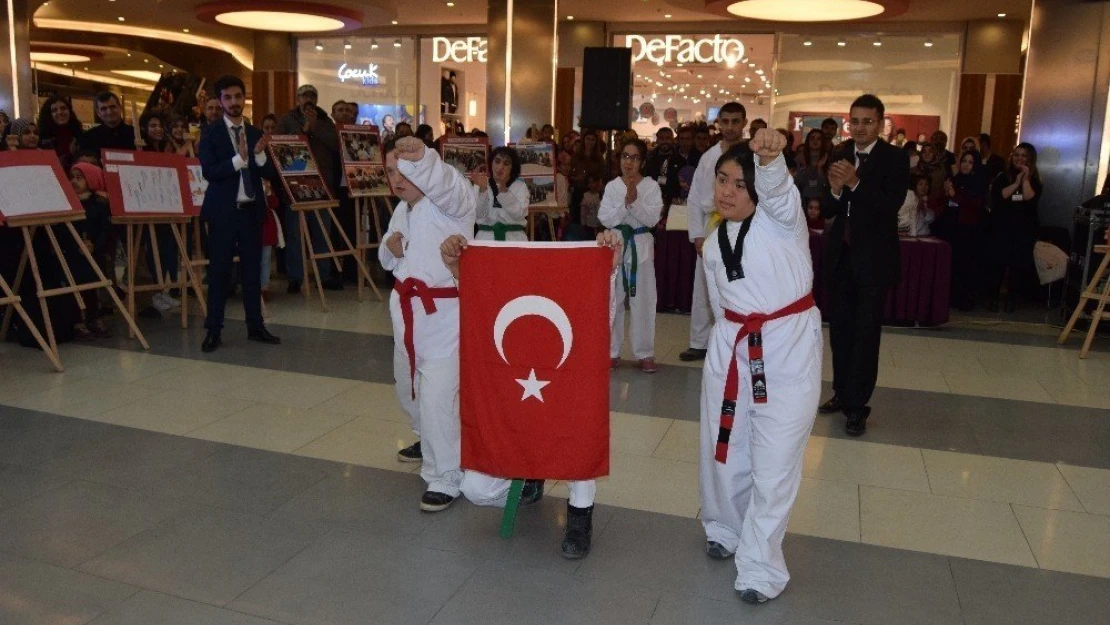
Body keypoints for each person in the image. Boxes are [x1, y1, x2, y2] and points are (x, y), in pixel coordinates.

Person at [699, 130, 822, 605]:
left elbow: (779, 192)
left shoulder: (781, 220)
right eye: (721, 180)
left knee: (776, 459)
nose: (727, 191)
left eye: (739, 184)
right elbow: (717, 303)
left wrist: (770, 164)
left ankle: (761, 564)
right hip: (730, 346)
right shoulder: (714, 241)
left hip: (786, 346)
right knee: (724, 445)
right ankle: (725, 526)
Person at [449, 231, 624, 560]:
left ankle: (580, 513)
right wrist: (459, 267)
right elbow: (480, 306)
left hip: (565, 399)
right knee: (473, 487)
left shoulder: (575, 317)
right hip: (515, 405)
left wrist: (608, 267)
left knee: (579, 429)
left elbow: (599, 318)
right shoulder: (506, 312)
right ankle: (530, 475)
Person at [380, 134, 476, 505]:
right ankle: (427, 438)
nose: (398, 178)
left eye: (405, 170)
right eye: (391, 171)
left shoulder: (454, 202)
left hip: (445, 315)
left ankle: (446, 476)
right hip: (406, 310)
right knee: (408, 387)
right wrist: (390, 251)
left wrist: (422, 158)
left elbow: (446, 183)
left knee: (437, 396)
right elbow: (388, 256)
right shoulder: (403, 209)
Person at [818, 94, 910, 437]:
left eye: (867, 121)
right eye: (854, 121)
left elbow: (889, 207)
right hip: (840, 258)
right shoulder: (841, 153)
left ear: (881, 123)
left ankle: (857, 406)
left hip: (873, 261)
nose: (859, 127)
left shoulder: (895, 159)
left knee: (865, 336)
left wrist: (855, 183)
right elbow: (829, 208)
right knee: (840, 332)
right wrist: (837, 190)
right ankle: (841, 393)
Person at [197, 75, 281, 354]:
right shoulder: (210, 134)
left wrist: (257, 157)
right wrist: (239, 159)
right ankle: (213, 330)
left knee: (252, 272)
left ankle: (255, 326)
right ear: (220, 101)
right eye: (227, 97)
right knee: (219, 273)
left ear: (244, 98)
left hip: (250, 212)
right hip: (223, 213)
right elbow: (210, 171)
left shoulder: (256, 133)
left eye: (237, 96)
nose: (234, 102)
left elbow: (269, 173)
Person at [682, 102, 747, 362]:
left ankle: (737, 340)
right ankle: (699, 342)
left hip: (743, 224)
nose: (730, 127)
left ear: (743, 123)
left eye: (735, 121)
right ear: (718, 122)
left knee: (741, 283)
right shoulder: (709, 157)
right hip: (712, 225)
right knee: (703, 285)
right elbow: (695, 198)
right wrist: (697, 234)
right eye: (726, 121)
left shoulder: (751, 155)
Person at [600, 138, 663, 372]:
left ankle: (645, 352)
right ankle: (612, 351)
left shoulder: (651, 186)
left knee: (644, 299)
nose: (629, 162)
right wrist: (625, 202)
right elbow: (605, 218)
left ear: (642, 162)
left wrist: (635, 201)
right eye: (625, 156)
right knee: (613, 299)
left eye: (635, 157)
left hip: (641, 244)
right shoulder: (612, 186)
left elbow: (652, 219)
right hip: (616, 244)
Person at [279, 84, 343, 292]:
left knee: (322, 231)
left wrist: (315, 126)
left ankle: (323, 275)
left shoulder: (325, 119)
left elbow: (335, 144)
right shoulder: (287, 120)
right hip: (296, 184)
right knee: (296, 233)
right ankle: (295, 277)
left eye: (312, 96)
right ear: (297, 98)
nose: (308, 99)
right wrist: (303, 131)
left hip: (322, 185)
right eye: (304, 96)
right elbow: (281, 145)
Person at [986, 143, 1042, 313]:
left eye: (1023, 155)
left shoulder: (1035, 179)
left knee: (1018, 266)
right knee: (998, 264)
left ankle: (1011, 300)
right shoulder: (1003, 176)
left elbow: (1029, 198)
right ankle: (993, 298)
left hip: (1023, 230)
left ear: (1030, 159)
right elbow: (1000, 196)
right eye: (1016, 155)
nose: (1019, 158)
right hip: (1002, 227)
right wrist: (1015, 182)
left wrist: (1024, 179)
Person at [68, 162, 113, 340]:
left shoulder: (99, 204)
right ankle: (77, 320)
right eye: (72, 177)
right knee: (75, 286)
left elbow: (105, 229)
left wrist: (95, 244)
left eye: (79, 178)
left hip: (94, 252)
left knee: (92, 287)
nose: (74, 182)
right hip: (74, 253)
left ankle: (94, 317)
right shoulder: (69, 202)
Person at [945, 150, 989, 311]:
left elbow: (973, 205)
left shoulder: (978, 183)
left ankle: (965, 298)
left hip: (969, 231)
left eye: (970, 162)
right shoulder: (954, 180)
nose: (966, 165)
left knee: (967, 265)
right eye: (964, 161)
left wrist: (954, 195)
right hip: (953, 229)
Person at [473, 147, 529, 241]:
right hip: (486, 239)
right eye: (497, 161)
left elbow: (519, 214)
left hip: (514, 239)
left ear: (513, 167)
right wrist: (483, 191)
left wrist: (503, 191)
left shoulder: (520, 186)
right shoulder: (481, 183)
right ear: (491, 163)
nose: (500, 167)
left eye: (506, 164)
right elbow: (478, 215)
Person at [645, 127, 687, 207]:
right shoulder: (649, 159)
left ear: (672, 140)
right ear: (657, 140)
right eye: (661, 138)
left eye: (667, 138)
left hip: (674, 204)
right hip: (652, 203)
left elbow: (684, 185)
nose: (664, 141)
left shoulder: (681, 161)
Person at [37, 95, 83, 168]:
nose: (59, 112)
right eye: (54, 110)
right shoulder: (44, 140)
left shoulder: (79, 134)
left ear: (69, 111)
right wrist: (69, 154)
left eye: (63, 108)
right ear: (49, 115)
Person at [793, 128, 829, 202]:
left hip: (823, 200)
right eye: (812, 138)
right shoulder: (799, 158)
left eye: (819, 138)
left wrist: (819, 168)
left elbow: (827, 184)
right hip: (801, 199)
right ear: (807, 141)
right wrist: (803, 168)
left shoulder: (828, 158)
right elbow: (795, 183)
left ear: (823, 142)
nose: (815, 141)